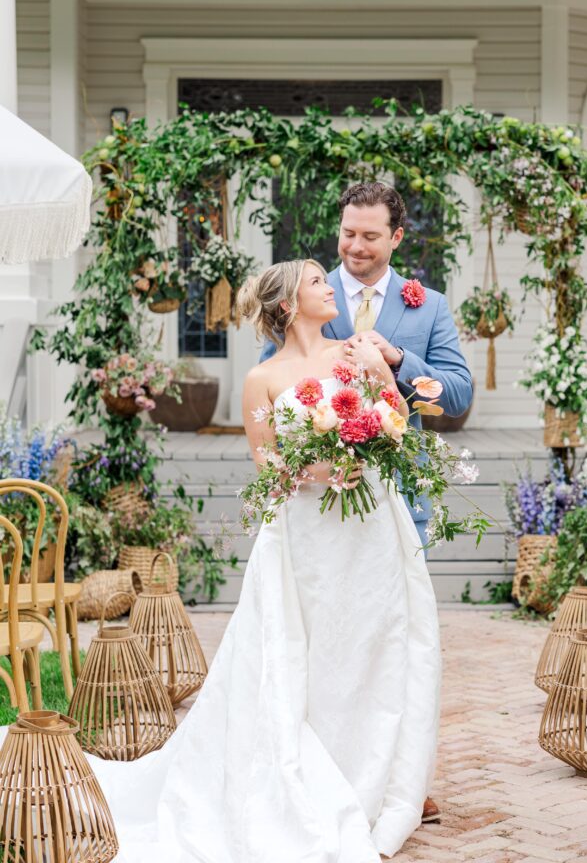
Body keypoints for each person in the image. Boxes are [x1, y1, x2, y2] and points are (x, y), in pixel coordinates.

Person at [8, 258, 441, 863]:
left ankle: (368, 775)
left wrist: (371, 435)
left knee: (372, 642)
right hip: (305, 536)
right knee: (303, 650)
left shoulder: (357, 350)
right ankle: (308, 777)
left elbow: (395, 418)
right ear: (289, 304)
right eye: (317, 281)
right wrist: (315, 469)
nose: (330, 286)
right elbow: (267, 466)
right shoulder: (262, 379)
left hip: (368, 529)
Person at [261, 181, 473, 549]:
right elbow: (270, 400)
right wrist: (310, 469)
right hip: (316, 505)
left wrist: (400, 361)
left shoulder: (431, 306)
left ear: (397, 237)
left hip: (400, 496)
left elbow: (458, 395)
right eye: (349, 233)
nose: (356, 246)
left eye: (371, 236)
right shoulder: (299, 297)